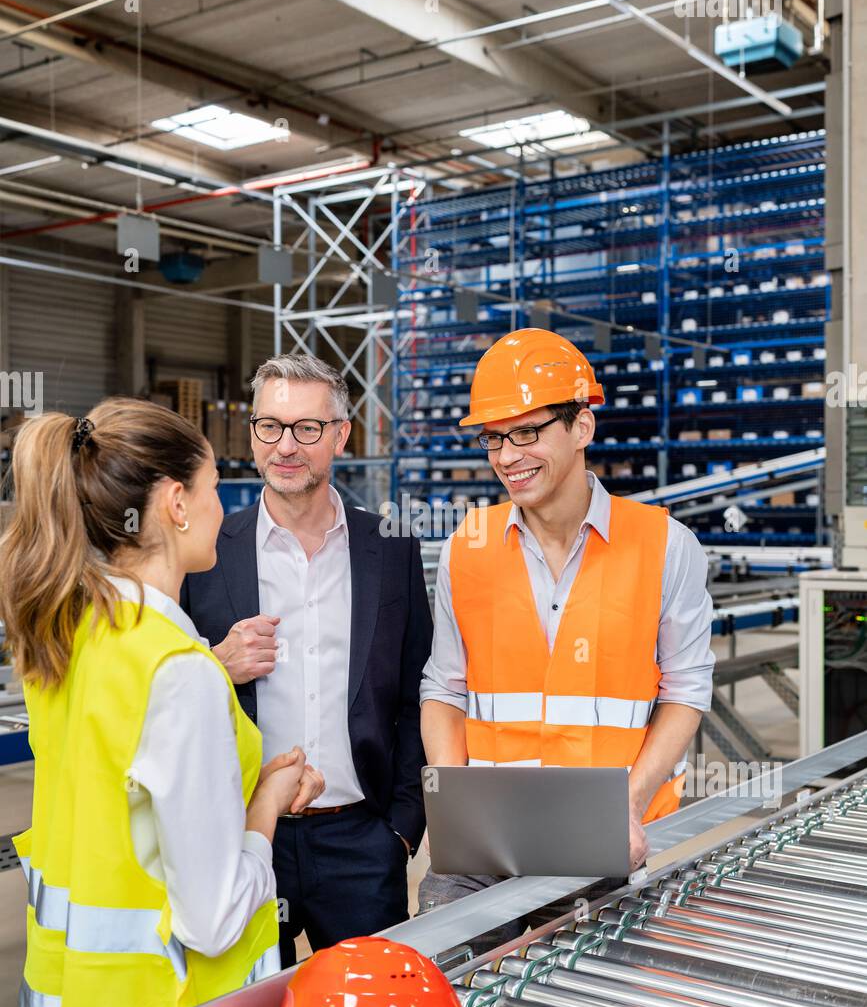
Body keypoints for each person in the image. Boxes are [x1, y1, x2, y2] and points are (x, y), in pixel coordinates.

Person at [0, 399, 323, 1007]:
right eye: (213, 487)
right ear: (176, 503)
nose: (221, 506)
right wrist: (265, 803)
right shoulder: (178, 671)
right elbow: (212, 919)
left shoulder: (64, 634)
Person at [419, 328, 715, 951]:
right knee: (450, 994)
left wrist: (626, 808)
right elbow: (443, 689)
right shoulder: (465, 549)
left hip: (616, 834)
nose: (506, 457)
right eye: (494, 438)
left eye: (526, 433)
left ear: (582, 426)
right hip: (487, 844)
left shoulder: (665, 547)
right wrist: (455, 807)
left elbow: (686, 691)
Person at [181, 354, 431, 967]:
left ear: (342, 435)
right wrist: (216, 662)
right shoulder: (209, 551)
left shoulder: (390, 547)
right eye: (270, 426)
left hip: (361, 841)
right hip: (241, 838)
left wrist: (400, 829)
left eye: (306, 429)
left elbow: (417, 691)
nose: (285, 446)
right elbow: (162, 692)